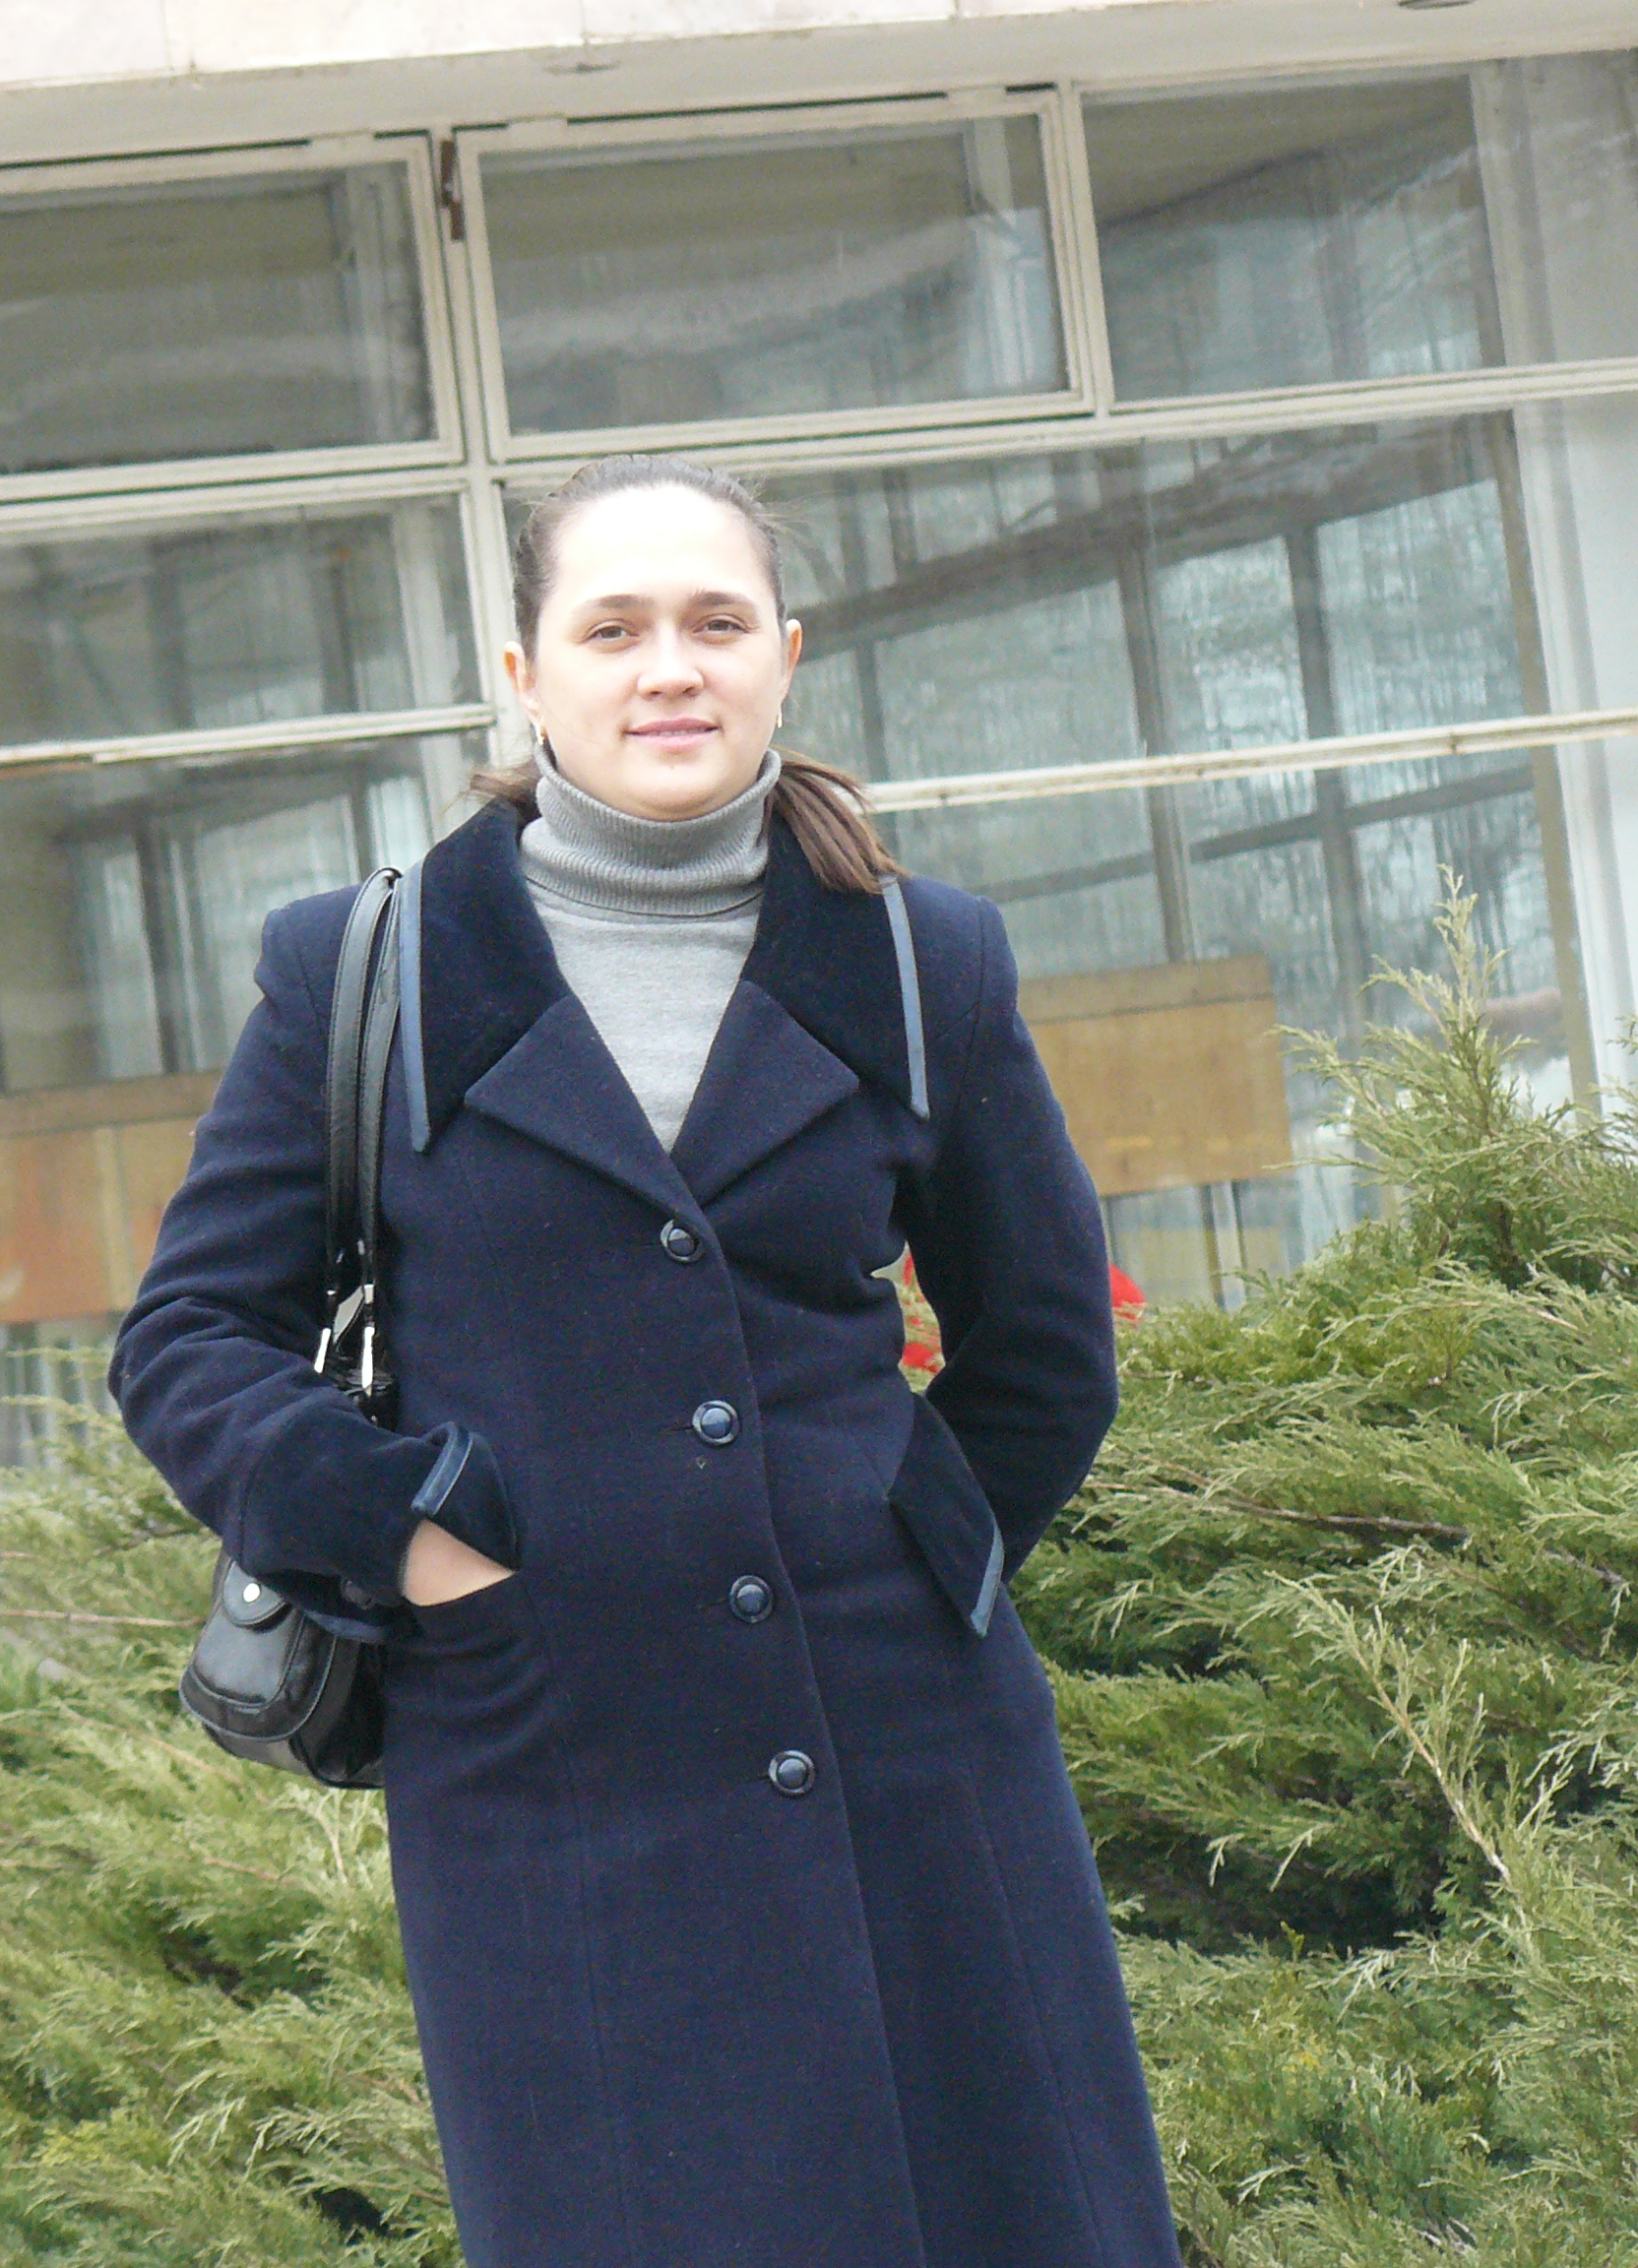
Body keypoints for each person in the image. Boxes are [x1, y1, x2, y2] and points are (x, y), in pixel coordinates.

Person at [111, 455, 1183, 2268]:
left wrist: (908, 1552)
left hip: (915, 1763)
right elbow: (188, 1340)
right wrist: (416, 1545)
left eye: (715, 621)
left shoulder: (925, 960)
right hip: (548, 1768)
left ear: (786, 656)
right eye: (612, 629)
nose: (669, 667)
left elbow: (1047, 1346)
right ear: (524, 674)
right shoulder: (366, 972)